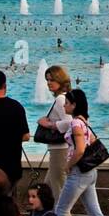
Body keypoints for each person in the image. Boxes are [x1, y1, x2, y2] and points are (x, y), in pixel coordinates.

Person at [53, 89, 109, 216]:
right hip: (90, 173)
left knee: (61, 210)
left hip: (79, 173)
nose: (64, 106)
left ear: (74, 105)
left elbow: (81, 150)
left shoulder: (76, 123)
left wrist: (67, 166)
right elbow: (92, 140)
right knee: (96, 214)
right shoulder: (84, 121)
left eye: (67, 103)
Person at [36, 64, 71, 202]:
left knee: (58, 192)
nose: (49, 83)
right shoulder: (65, 97)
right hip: (59, 149)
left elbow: (68, 122)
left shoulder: (60, 99)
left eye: (52, 80)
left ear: (60, 80)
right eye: (47, 80)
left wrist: (48, 124)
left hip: (59, 151)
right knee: (47, 192)